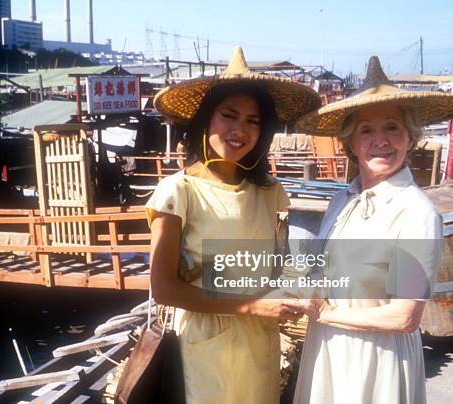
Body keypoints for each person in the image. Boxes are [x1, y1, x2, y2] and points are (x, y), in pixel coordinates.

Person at [147, 47, 321, 404]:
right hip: (205, 343)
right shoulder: (178, 191)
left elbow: (275, 266)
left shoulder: (270, 192)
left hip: (260, 339)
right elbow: (164, 289)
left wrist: (289, 295)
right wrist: (252, 304)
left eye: (253, 121)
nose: (240, 130)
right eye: (229, 116)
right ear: (205, 120)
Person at [292, 56, 453, 404]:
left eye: (392, 127)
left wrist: (325, 313)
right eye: (366, 130)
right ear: (351, 143)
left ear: (411, 138)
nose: (380, 140)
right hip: (327, 351)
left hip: (378, 361)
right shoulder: (340, 201)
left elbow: (405, 316)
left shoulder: (416, 214)